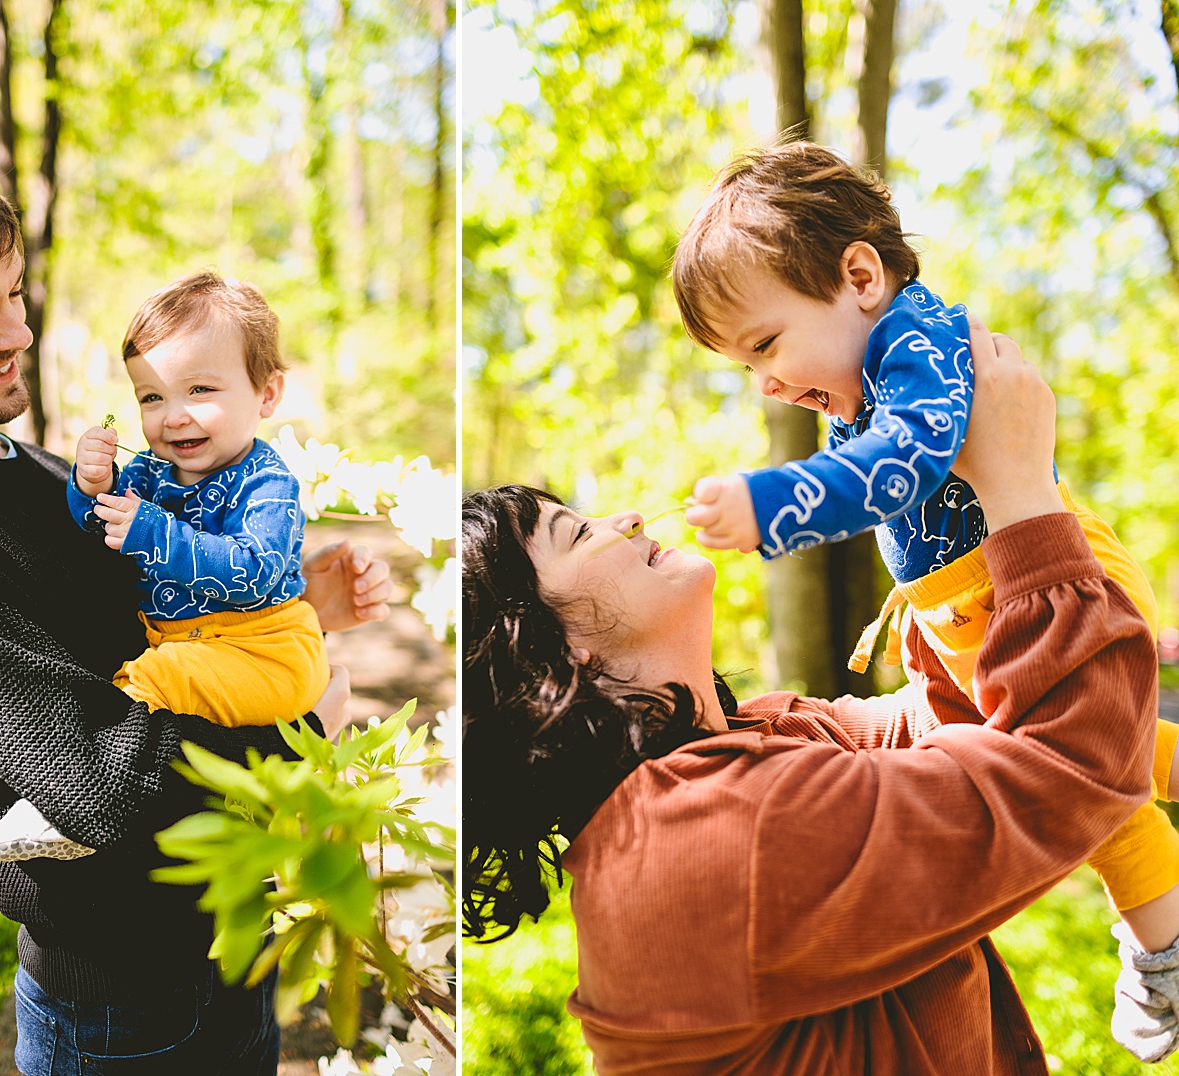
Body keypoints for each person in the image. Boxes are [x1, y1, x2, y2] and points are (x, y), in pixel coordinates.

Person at [0, 143, 391, 1076]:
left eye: (14, 296)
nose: (16, 335)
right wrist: (306, 731)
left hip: (225, 945)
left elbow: (131, 626)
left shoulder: (31, 469)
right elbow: (110, 781)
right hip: (120, 1010)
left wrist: (299, 610)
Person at [462, 320, 1176, 1072]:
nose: (628, 517)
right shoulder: (704, 836)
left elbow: (965, 720)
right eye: (577, 534)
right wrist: (1020, 491)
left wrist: (937, 540)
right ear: (548, 652)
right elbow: (1075, 764)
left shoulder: (750, 741)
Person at [668, 141, 1179, 1012]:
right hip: (970, 609)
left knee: (1091, 791)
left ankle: (1165, 953)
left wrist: (775, 504)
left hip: (1046, 579)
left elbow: (904, 464)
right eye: (745, 366)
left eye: (766, 345)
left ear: (860, 276)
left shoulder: (919, 346)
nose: (765, 384)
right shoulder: (872, 368)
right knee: (1115, 749)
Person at [0, 271, 330, 863]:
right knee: (162, 679)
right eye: (151, 397)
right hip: (186, 644)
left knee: (160, 679)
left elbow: (256, 571)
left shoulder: (269, 483)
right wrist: (90, 486)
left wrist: (154, 532)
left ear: (266, 395)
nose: (174, 417)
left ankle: (68, 803)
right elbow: (97, 530)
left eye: (200, 391)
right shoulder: (150, 475)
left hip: (265, 648)